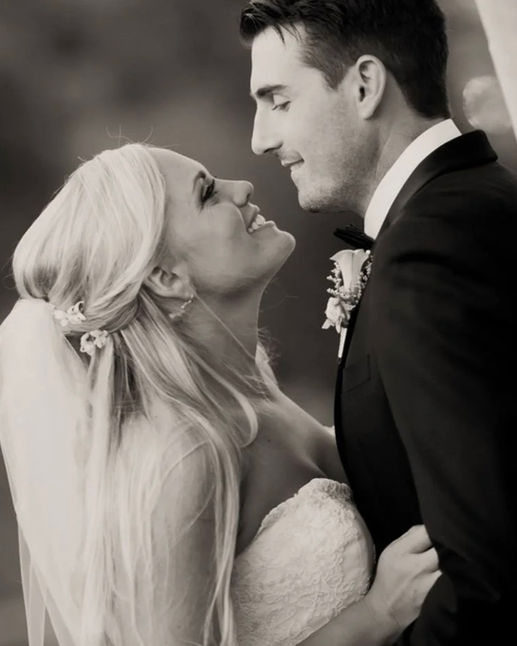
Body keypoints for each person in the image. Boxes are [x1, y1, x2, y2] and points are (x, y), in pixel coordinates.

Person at [0, 144, 439, 646]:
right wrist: (379, 613)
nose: (242, 187)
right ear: (166, 277)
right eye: (207, 193)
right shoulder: (184, 455)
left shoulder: (251, 391)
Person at [240, 0, 517, 643]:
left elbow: (481, 579)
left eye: (278, 100)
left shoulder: (427, 255)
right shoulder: (477, 204)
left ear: (365, 85)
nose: (260, 139)